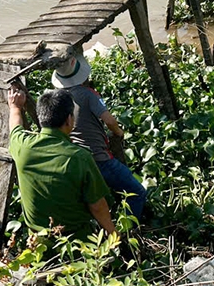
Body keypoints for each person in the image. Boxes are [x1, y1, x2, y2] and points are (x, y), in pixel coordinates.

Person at [7, 86, 115, 239]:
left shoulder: (23, 147)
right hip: (77, 242)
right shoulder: (80, 157)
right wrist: (114, 236)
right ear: (69, 119)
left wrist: (15, 106)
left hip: (38, 244)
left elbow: (15, 127)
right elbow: (98, 206)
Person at [52, 54, 148, 219]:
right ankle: (128, 230)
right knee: (137, 191)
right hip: (99, 159)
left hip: (74, 161)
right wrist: (119, 133)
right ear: (82, 73)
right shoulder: (88, 94)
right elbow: (109, 120)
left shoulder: (55, 97)